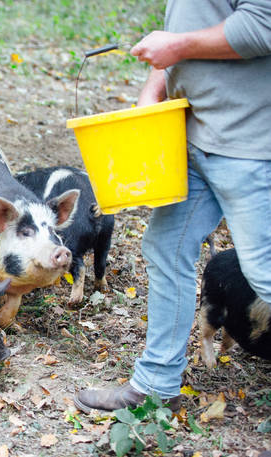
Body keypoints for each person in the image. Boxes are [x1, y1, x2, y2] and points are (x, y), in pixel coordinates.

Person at [74, 0, 271, 413]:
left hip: (252, 147)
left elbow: (263, 24)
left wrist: (178, 46)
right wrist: (153, 91)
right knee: (165, 246)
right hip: (195, 140)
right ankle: (156, 384)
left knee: (264, 274)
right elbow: (182, 30)